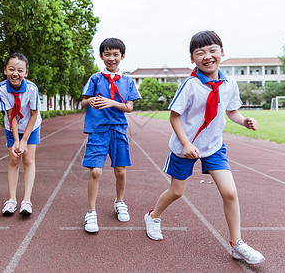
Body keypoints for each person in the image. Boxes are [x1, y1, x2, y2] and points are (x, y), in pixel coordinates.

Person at [144, 31, 265, 264]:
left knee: (230, 192)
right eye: (200, 53)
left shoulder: (229, 84)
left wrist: (244, 121)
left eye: (212, 50)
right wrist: (186, 143)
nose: (207, 56)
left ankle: (237, 244)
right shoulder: (190, 85)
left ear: (222, 52)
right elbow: (174, 116)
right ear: (192, 59)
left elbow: (231, 111)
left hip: (213, 146)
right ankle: (153, 216)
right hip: (185, 147)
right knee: (177, 192)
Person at [81, 38, 141, 233]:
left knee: (120, 171)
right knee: (95, 172)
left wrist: (111, 102)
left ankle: (119, 202)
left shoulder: (127, 80)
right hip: (98, 131)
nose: (111, 58)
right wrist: (91, 102)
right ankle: (91, 211)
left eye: (115, 54)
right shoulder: (95, 78)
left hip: (118, 129)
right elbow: (83, 102)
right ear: (101, 56)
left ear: (122, 56)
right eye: (107, 54)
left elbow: (129, 108)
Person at [0, 52, 42, 217]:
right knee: (14, 159)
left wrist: (24, 140)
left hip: (31, 125)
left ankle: (27, 201)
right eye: (11, 69)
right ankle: (11, 200)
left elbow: (34, 114)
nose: (15, 73)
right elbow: (11, 114)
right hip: (12, 126)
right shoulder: (1, 89)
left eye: (20, 70)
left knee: (28, 159)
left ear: (26, 73)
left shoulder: (31, 88)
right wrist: (16, 140)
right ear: (5, 70)